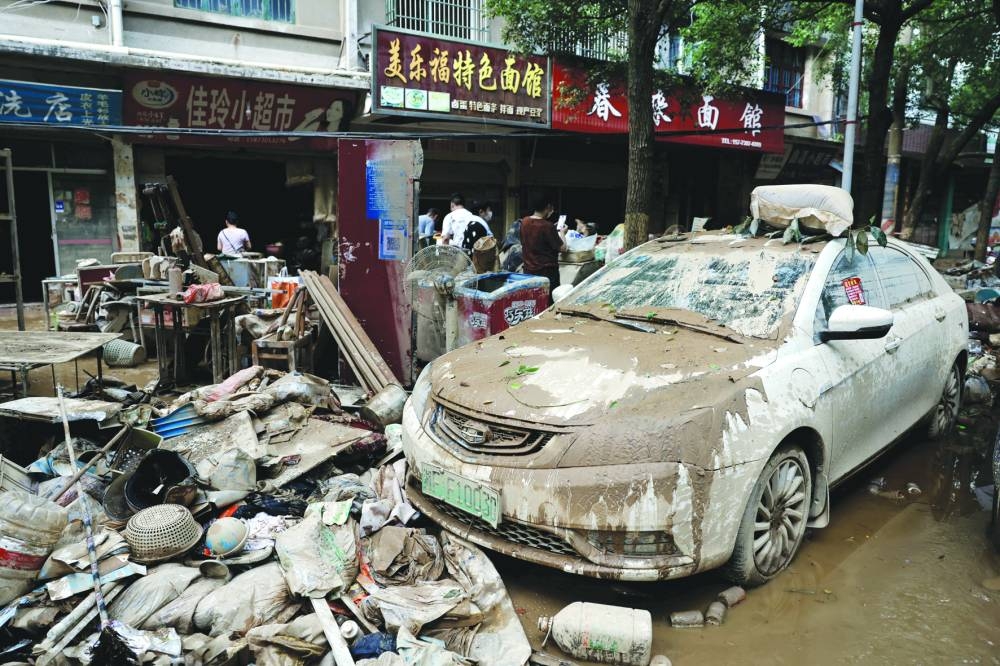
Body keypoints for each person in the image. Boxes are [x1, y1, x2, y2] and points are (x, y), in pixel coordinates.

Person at [520, 196, 567, 301]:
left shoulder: (524, 222)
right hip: (547, 273)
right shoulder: (547, 226)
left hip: (528, 272)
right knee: (548, 303)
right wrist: (562, 233)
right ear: (548, 207)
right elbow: (563, 248)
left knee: (533, 302)